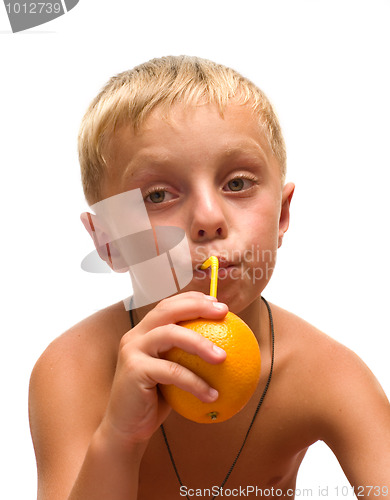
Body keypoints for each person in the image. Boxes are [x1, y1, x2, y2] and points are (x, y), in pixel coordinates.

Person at [28, 55, 390, 500]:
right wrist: (120, 438)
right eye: (157, 195)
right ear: (109, 244)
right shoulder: (74, 369)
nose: (208, 218)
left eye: (237, 184)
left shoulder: (328, 375)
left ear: (282, 214)